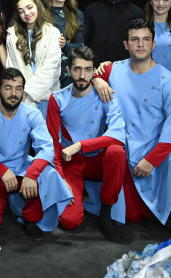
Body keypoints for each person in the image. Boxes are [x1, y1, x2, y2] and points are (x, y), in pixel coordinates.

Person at [93, 19, 171, 238]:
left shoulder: (168, 80)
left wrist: (152, 160)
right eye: (135, 39)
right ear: (126, 45)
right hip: (126, 148)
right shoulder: (112, 70)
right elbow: (87, 77)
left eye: (146, 39)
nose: (140, 44)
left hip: (158, 147)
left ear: (153, 44)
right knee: (131, 213)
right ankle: (108, 211)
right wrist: (96, 79)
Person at [0, 68, 73, 240]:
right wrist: (0, 170)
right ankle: (7, 204)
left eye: (19, 88)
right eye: (8, 88)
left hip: (22, 168)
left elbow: (46, 148)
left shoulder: (32, 114)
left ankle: (29, 218)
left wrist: (32, 174)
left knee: (48, 174)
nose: (14, 94)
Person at [46, 46, 128, 241]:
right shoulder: (57, 99)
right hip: (71, 163)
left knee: (117, 152)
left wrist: (80, 145)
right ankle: (81, 196)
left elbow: (118, 135)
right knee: (70, 221)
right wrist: (60, 178)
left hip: (98, 160)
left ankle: (106, 212)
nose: (82, 76)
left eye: (87, 70)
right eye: (77, 69)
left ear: (93, 71)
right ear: (68, 71)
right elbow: (52, 143)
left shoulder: (106, 94)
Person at [5, 0, 62, 114]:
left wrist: (27, 92)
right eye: (21, 11)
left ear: (38, 6)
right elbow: (11, 68)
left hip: (47, 97)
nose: (26, 13)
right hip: (21, 99)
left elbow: (51, 69)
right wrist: (18, 93)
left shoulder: (52, 33)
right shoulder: (12, 35)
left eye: (29, 7)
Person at [83, 0, 142, 64]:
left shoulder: (136, 13)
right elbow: (84, 44)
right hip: (95, 70)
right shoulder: (91, 10)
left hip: (126, 69)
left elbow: (139, 47)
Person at [44, 0, 86, 88]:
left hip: (68, 73)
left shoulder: (76, 15)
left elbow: (81, 48)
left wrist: (65, 45)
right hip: (45, 71)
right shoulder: (40, 12)